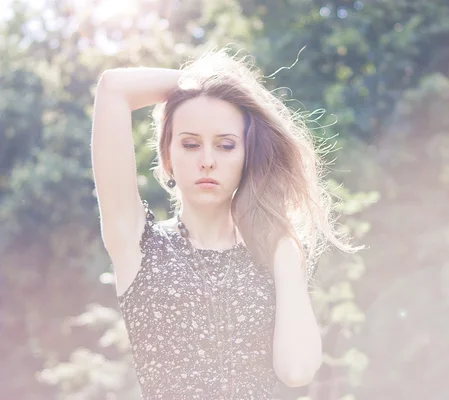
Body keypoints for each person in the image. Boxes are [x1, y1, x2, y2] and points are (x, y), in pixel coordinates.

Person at [91, 47, 359, 399]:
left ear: (247, 157)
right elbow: (114, 88)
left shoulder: (274, 254)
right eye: (190, 144)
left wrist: (286, 253)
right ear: (167, 157)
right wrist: (202, 85)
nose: (207, 161)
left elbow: (296, 371)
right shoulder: (139, 245)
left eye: (226, 145)